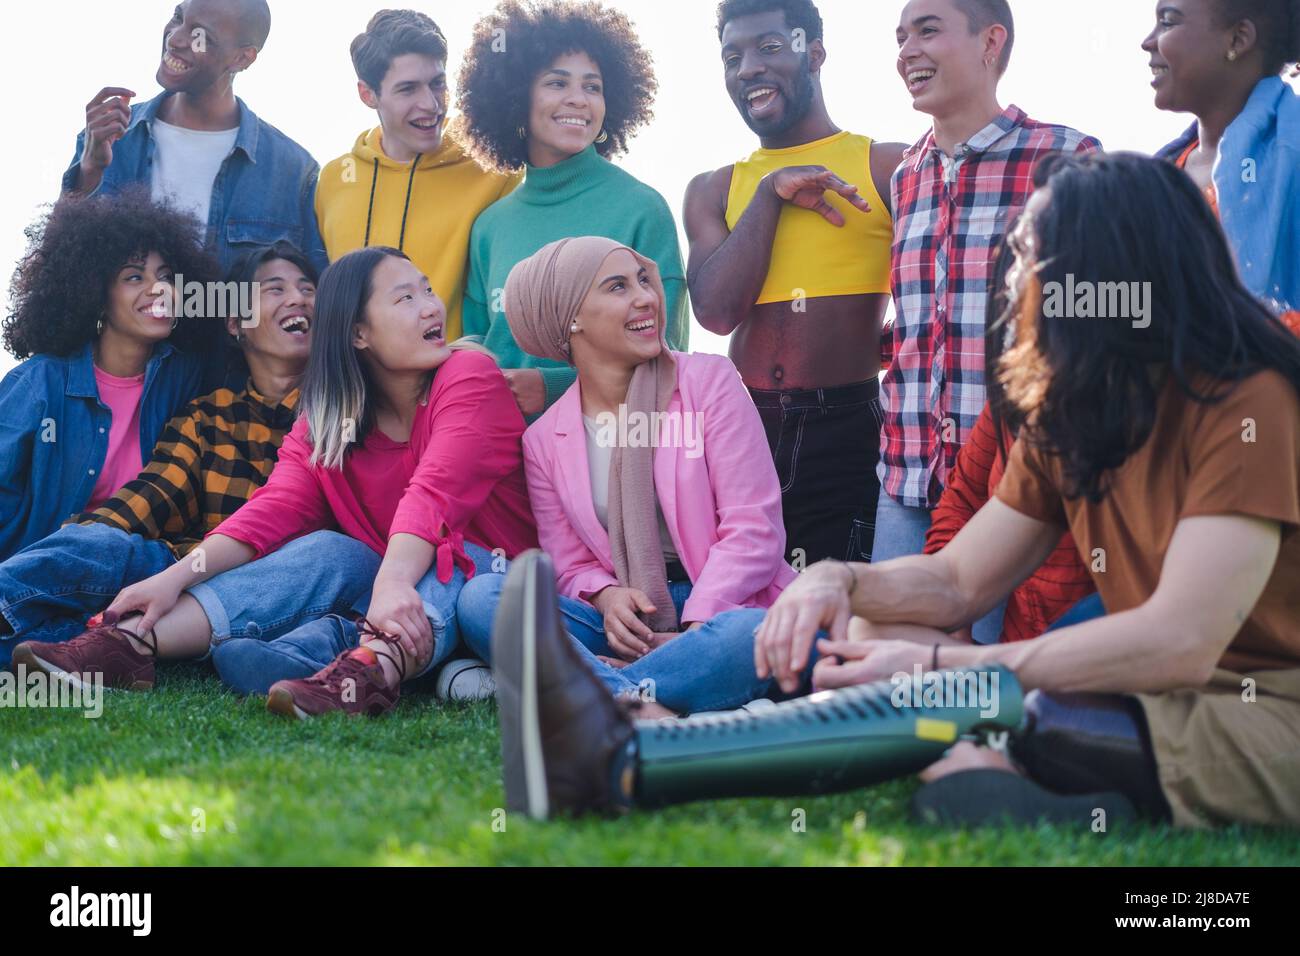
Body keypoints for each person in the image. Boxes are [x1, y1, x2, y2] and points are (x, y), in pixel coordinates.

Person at [491, 153, 1300, 830]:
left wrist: (946, 665)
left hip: (1265, 707)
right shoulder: (1074, 412)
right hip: (1145, 685)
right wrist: (838, 578)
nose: (1014, 278)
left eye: (1032, 256)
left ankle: (630, 750)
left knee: (1033, 711)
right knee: (893, 635)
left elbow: (1183, 637)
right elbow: (956, 579)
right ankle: (635, 757)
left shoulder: (1245, 398)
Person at [14, 248, 538, 718]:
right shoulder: (326, 418)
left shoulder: (468, 375)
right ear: (358, 333)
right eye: (405, 298)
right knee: (332, 549)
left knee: (448, 556)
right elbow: (272, 510)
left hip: (494, 588)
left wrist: (394, 583)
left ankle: (368, 673)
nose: (430, 307)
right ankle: (130, 646)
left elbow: (434, 493)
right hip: (395, 597)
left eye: (426, 290)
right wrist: (172, 580)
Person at [456, 237, 800, 717]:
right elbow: (571, 564)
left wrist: (698, 624)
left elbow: (753, 527)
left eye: (643, 280)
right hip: (628, 621)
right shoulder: (545, 441)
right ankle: (637, 697)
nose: (646, 297)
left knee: (750, 636)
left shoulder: (709, 381)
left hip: (727, 606)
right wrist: (608, 594)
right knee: (485, 599)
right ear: (569, 318)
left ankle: (594, 693)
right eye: (617, 286)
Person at [1, 243, 315, 670]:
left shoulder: (347, 411)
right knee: (107, 550)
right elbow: (150, 495)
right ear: (235, 322)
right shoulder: (208, 414)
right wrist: (84, 541)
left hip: (268, 585)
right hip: (183, 573)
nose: (298, 298)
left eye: (308, 288)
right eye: (274, 289)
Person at [876, 0, 1101, 569]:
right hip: (906, 483)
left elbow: (1098, 328)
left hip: (1017, 487)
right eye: (901, 37)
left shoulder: (1068, 157)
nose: (907, 51)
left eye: (928, 31)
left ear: (990, 42)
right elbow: (914, 323)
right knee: (887, 657)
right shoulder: (905, 177)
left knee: (995, 660)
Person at [685, 0, 907, 567]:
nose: (748, 68)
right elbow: (714, 311)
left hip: (845, 425)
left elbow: (939, 294)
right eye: (732, 57)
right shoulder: (714, 188)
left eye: (768, 47)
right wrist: (770, 193)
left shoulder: (887, 166)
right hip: (742, 424)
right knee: (735, 600)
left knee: (830, 610)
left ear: (814, 53)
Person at [62, 0, 326, 388]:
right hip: (115, 396)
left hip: (230, 404)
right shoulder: (110, 139)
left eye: (202, 36)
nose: (179, 38)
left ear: (243, 57)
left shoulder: (291, 169)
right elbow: (62, 271)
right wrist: (89, 171)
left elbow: (315, 302)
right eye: (178, 17)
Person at [457, 0, 689, 417]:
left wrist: (552, 388)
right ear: (515, 96)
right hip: (498, 459)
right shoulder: (489, 227)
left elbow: (669, 354)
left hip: (602, 455)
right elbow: (473, 350)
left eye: (592, 86)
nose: (578, 100)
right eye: (557, 83)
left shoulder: (641, 209)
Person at [0, 190, 213, 564]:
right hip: (28, 576)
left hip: (131, 578)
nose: (158, 288)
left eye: (165, 276)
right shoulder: (40, 384)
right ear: (96, 295)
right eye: (134, 277)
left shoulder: (185, 377)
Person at [921, 238, 1096, 645]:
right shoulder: (1028, 403)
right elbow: (962, 505)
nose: (1013, 280)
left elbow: (1163, 635)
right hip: (1020, 660)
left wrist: (968, 667)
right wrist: (839, 582)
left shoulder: (1197, 415)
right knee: (875, 633)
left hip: (1105, 680)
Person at [315, 9, 521, 341]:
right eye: (408, 89)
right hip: (358, 388)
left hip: (454, 383)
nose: (431, 104)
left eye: (437, 83)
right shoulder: (334, 181)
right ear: (368, 95)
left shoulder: (494, 167)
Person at [1145, 0, 1300, 332]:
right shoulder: (1159, 175)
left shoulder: (1294, 156)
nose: (1148, 41)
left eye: (1168, 22)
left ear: (1238, 39)